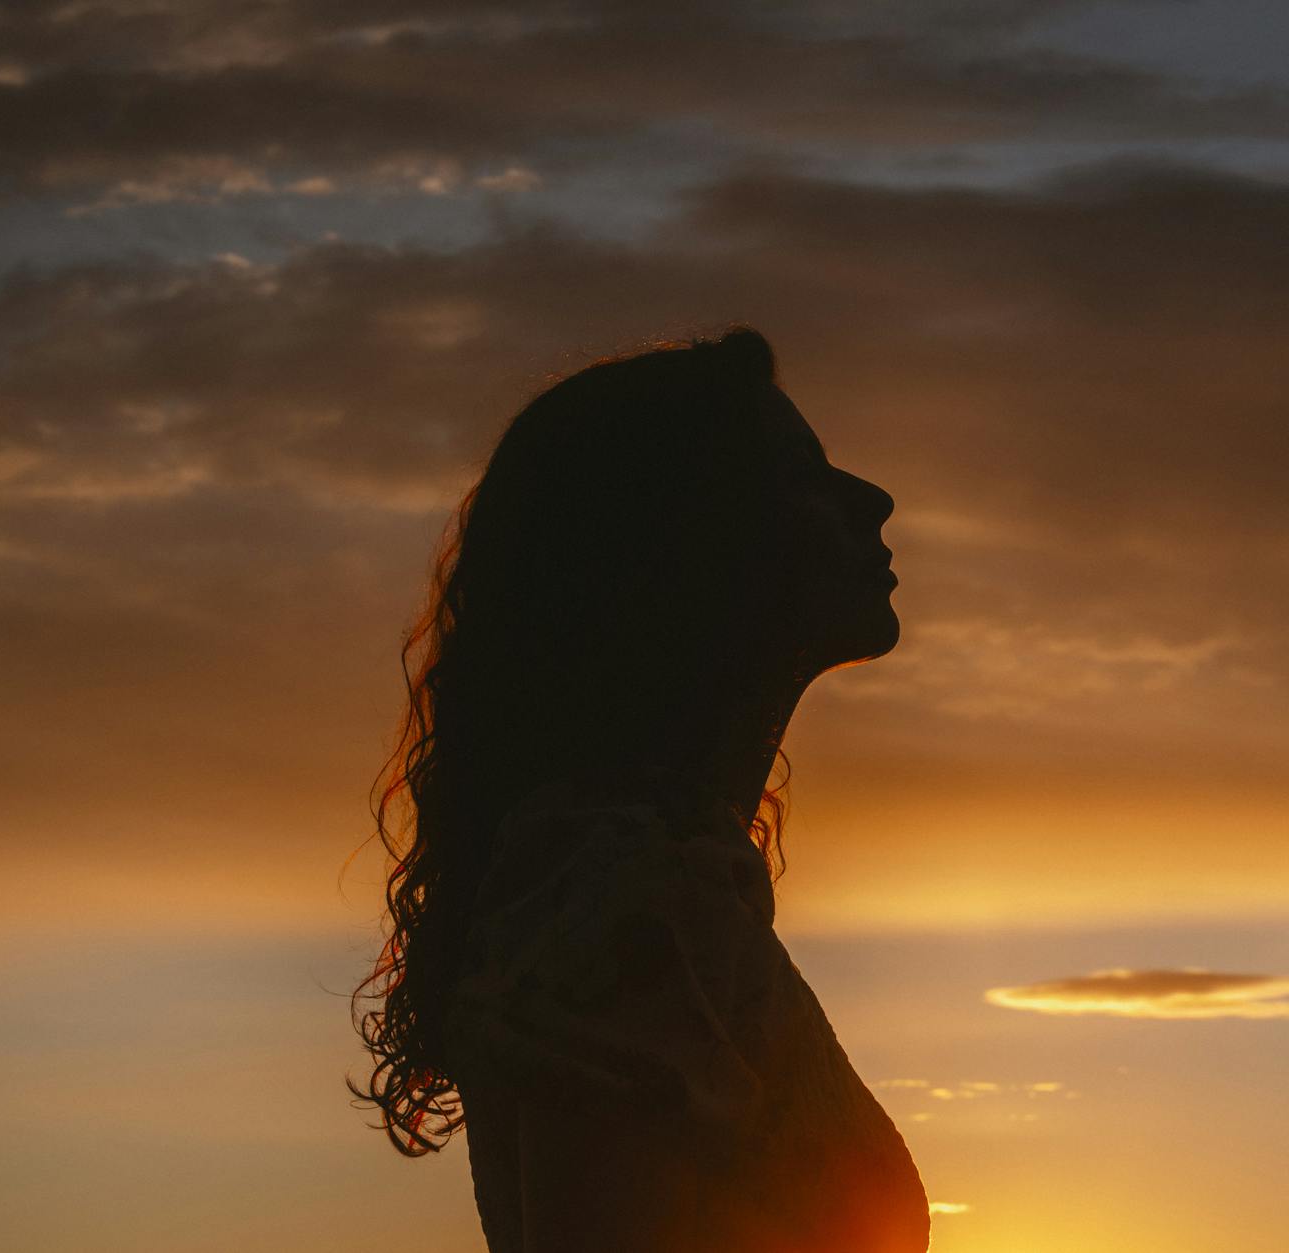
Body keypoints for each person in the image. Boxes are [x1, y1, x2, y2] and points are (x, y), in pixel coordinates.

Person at [352, 328, 930, 1251]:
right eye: (800, 475)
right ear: (683, 542)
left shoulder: (660, 882)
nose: (871, 498)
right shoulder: (619, 900)